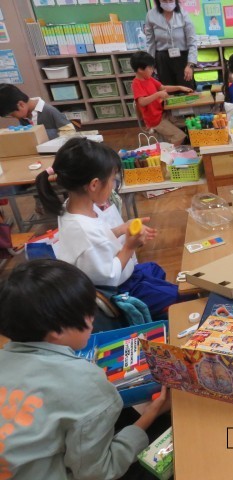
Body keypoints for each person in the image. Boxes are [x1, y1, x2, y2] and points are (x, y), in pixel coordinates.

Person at [0, 259, 170, 479]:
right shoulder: (85, 382)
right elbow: (98, 472)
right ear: (57, 331)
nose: (93, 320)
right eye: (89, 313)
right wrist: (151, 414)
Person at [35, 137, 184, 318]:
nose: (113, 185)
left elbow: (98, 239)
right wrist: (130, 246)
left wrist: (121, 229)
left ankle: (159, 306)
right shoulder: (84, 230)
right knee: (181, 297)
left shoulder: (71, 207)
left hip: (118, 277)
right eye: (112, 179)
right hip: (117, 292)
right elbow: (110, 276)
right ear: (94, 184)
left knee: (154, 269)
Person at [131, 51, 192, 146]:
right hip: (155, 121)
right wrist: (158, 94)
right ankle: (169, 153)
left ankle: (179, 147)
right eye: (150, 68)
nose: (152, 70)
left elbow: (163, 88)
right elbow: (142, 102)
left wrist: (179, 87)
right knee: (179, 136)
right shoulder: (136, 84)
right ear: (140, 70)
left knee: (190, 123)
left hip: (163, 115)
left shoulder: (149, 79)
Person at [145, 0, 197, 89]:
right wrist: (150, 65)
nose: (168, 2)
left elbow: (192, 42)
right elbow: (150, 43)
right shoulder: (151, 15)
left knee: (186, 89)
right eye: (165, 0)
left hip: (182, 58)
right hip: (162, 59)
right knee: (167, 90)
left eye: (171, 0)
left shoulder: (183, 14)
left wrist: (190, 65)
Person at [0, 84, 75, 140]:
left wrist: (50, 135)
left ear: (21, 105)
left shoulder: (48, 110)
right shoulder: (23, 115)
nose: (14, 117)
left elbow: (70, 131)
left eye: (13, 114)